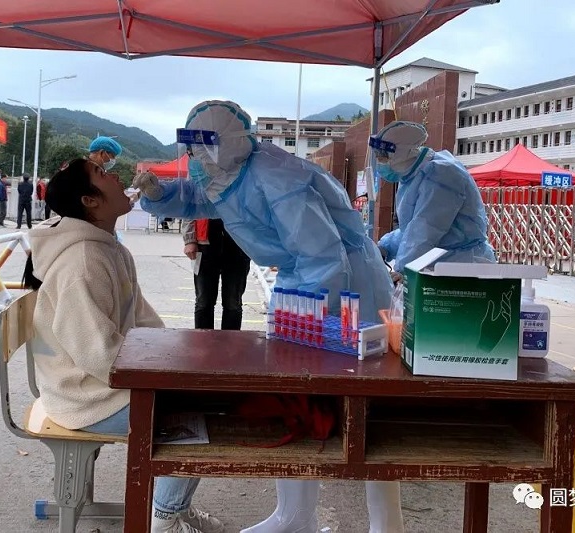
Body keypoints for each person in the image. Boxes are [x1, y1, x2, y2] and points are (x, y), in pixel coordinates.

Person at [133, 100, 401, 533]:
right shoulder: (233, 172)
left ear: (225, 144)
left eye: (201, 148)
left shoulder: (278, 178)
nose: (195, 159)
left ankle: (386, 526)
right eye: (192, 149)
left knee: (361, 411)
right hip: (305, 281)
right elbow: (203, 197)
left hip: (348, 285)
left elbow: (323, 255)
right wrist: (159, 193)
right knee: (297, 401)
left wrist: (306, 323)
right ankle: (295, 516)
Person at [22, 157, 224, 533]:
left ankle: (171, 509)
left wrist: (174, 355)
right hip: (85, 396)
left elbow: (142, 319)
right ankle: (164, 518)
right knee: (194, 418)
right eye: (102, 174)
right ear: (90, 201)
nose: (116, 176)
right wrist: (165, 378)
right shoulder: (83, 261)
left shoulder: (109, 248)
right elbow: (97, 353)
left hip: (102, 381)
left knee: (200, 392)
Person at [370, 121, 496, 282]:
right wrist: (385, 247)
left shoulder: (441, 174)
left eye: (383, 156)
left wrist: (404, 269)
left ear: (402, 153)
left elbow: (425, 229)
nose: (380, 162)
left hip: (463, 268)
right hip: (443, 266)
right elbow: (410, 229)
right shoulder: (412, 175)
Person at [183, 218, 250, 330]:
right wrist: (189, 240)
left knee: (233, 303)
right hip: (205, 246)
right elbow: (189, 210)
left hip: (238, 245)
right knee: (203, 302)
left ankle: (231, 341)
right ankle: (203, 341)